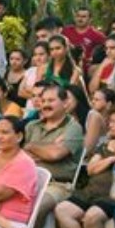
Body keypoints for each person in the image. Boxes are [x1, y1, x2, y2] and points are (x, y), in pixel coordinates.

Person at [25, 85, 86, 218]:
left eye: (51, 100)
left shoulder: (73, 127)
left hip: (57, 184)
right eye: (43, 101)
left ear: (65, 103)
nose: (46, 105)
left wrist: (31, 146)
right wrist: (49, 148)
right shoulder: (31, 126)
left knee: (36, 207)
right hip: (27, 180)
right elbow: (22, 156)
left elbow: (55, 154)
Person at [62, 7, 105, 78]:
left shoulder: (97, 35)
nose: (80, 19)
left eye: (83, 17)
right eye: (78, 16)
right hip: (65, 68)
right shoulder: (66, 31)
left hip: (86, 71)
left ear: (90, 19)